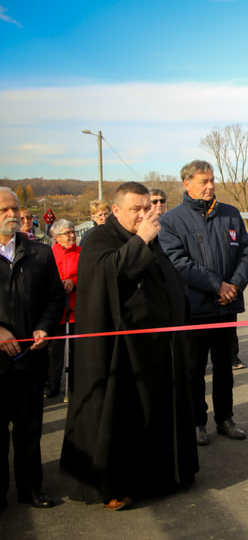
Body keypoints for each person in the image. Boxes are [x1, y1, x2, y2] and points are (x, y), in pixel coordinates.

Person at [60, 182, 197, 510]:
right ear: (116, 210)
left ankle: (162, 476)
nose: (143, 214)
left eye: (147, 208)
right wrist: (140, 241)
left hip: (155, 347)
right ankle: (114, 485)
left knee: (156, 411)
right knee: (122, 416)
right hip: (119, 352)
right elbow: (109, 274)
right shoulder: (98, 240)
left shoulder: (151, 238)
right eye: (136, 209)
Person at [159, 160, 248, 446]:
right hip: (194, 308)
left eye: (212, 180)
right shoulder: (172, 221)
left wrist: (235, 285)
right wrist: (217, 285)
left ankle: (225, 418)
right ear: (187, 184)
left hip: (226, 307)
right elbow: (178, 262)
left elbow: (247, 252)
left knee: (225, 367)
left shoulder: (230, 214)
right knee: (194, 369)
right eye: (204, 181)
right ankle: (197, 422)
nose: (210, 186)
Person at [0, 187, 65, 511]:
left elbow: (56, 297)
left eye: (15, 209)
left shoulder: (40, 253)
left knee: (28, 431)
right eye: (4, 210)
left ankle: (30, 490)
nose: (12, 215)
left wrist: (45, 327)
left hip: (30, 359)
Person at [45, 219, 80, 399]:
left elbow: (89, 274)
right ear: (57, 237)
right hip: (57, 311)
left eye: (73, 231)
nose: (72, 235)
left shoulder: (82, 253)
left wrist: (73, 282)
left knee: (77, 351)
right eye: (68, 233)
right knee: (54, 352)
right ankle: (53, 385)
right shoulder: (48, 254)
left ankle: (75, 385)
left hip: (76, 309)